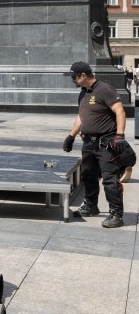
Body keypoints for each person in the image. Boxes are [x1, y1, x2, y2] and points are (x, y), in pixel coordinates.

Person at [62, 61, 133, 228]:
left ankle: (116, 214)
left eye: (74, 77)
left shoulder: (105, 90)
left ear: (83, 75)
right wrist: (71, 136)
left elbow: (120, 111)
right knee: (88, 175)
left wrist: (120, 135)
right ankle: (91, 205)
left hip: (106, 143)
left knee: (109, 178)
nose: (72, 80)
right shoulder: (83, 93)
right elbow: (82, 116)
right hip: (88, 143)